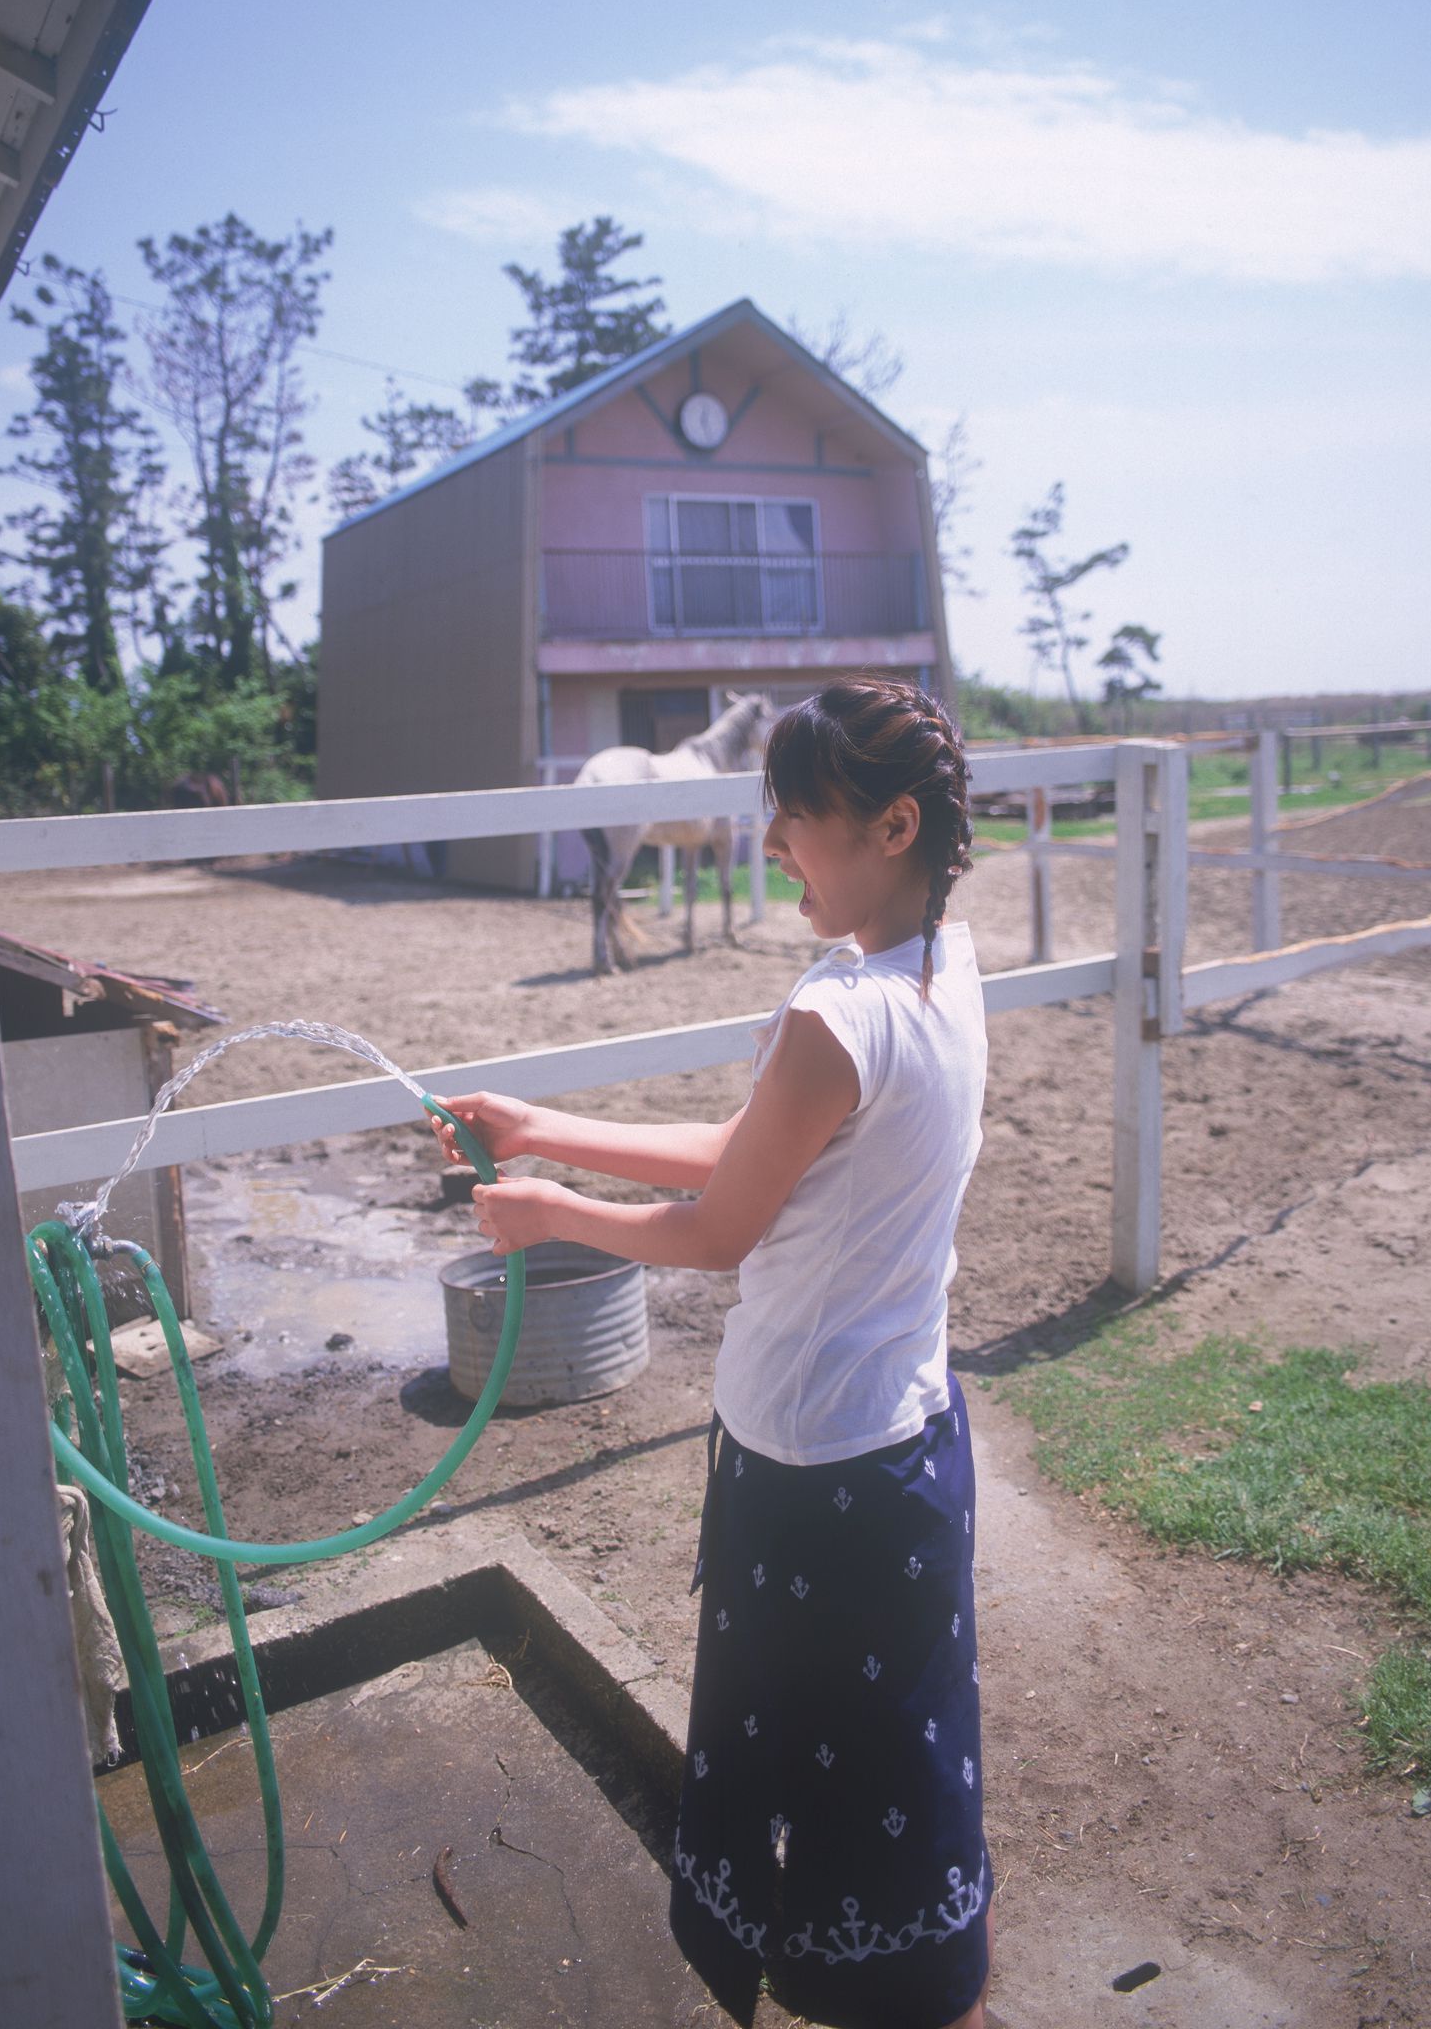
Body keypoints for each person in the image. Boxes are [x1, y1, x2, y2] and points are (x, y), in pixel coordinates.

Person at [431, 677, 990, 2029]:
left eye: (799, 817)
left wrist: (547, 1214)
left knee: (827, 1799)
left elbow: (722, 1226)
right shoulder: (936, 972)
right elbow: (752, 1153)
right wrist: (543, 1129)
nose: (773, 842)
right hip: (904, 1450)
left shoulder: (837, 1017)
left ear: (894, 827)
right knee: (901, 1795)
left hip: (812, 1476)